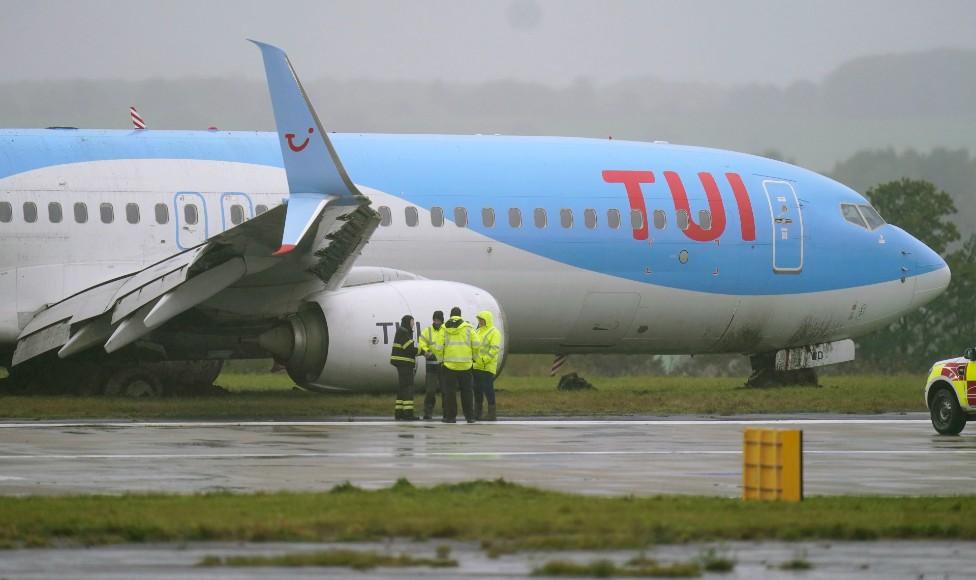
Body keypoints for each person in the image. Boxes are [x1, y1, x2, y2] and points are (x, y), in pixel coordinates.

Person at [438, 306, 479, 423]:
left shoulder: (444, 328)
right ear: (460, 315)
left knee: (450, 393)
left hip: (449, 365)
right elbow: (476, 343)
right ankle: (469, 417)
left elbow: (438, 346)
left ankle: (451, 417)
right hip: (465, 365)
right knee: (467, 392)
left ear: (450, 315)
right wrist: (474, 358)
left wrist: (441, 360)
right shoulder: (468, 327)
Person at [389, 314, 420, 421]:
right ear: (408, 322)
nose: (413, 324)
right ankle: (408, 414)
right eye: (412, 321)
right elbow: (409, 349)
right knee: (408, 388)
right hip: (404, 365)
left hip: (403, 365)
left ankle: (399, 413)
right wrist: (424, 352)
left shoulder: (403, 332)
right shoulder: (403, 332)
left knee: (402, 388)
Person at [473, 310, 502, 421]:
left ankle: (492, 414)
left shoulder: (494, 332)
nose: (480, 321)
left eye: (481, 320)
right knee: (477, 390)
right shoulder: (477, 331)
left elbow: (494, 349)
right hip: (476, 366)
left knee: (488, 389)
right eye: (479, 320)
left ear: (487, 320)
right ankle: (477, 413)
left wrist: (485, 360)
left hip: (487, 367)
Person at [417, 310, 445, 420]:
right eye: (435, 319)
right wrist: (426, 351)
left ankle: (447, 412)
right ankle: (428, 412)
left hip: (443, 365)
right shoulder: (427, 331)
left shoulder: (447, 331)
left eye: (439, 319)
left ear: (442, 320)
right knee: (430, 391)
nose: (437, 321)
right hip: (431, 366)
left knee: (445, 391)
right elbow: (421, 343)